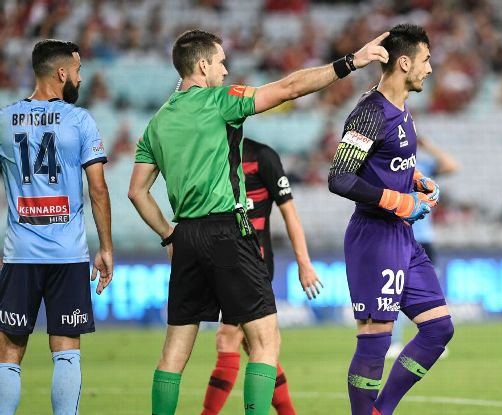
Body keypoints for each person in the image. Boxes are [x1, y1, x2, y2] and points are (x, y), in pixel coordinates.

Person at [127, 29, 388, 415]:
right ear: (202, 65)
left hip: (186, 236)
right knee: (265, 342)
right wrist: (350, 62)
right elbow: (288, 88)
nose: (225, 68)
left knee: (173, 353)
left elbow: (136, 192)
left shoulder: (157, 123)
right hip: (227, 232)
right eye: (219, 62)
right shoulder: (220, 101)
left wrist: (169, 235)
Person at [327, 24, 454, 415]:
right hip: (374, 237)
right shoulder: (370, 112)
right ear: (404, 62)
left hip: (402, 236)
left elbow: (384, 163)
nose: (430, 69)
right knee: (376, 339)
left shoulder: (402, 110)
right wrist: (397, 199)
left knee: (438, 329)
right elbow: (340, 177)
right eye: (426, 60)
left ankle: (380, 410)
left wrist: (414, 178)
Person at [0, 40, 113, 415]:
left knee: (10, 354)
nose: (79, 78)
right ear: (62, 73)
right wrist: (106, 248)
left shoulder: (5, 119)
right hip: (68, 254)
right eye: (78, 71)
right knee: (66, 353)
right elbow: (97, 188)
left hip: (19, 255)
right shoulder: (79, 120)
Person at [201, 137, 323, 415]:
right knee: (256, 345)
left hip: (253, 263)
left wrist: (303, 262)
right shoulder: (211, 150)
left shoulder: (262, 156)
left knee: (228, 338)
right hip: (223, 261)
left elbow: (289, 212)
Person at [386, 136, 457, 359]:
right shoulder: (389, 167)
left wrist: (429, 146)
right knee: (395, 292)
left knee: (430, 291)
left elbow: (452, 165)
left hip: (424, 239)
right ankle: (394, 342)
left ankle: (434, 338)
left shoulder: (422, 166)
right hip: (399, 236)